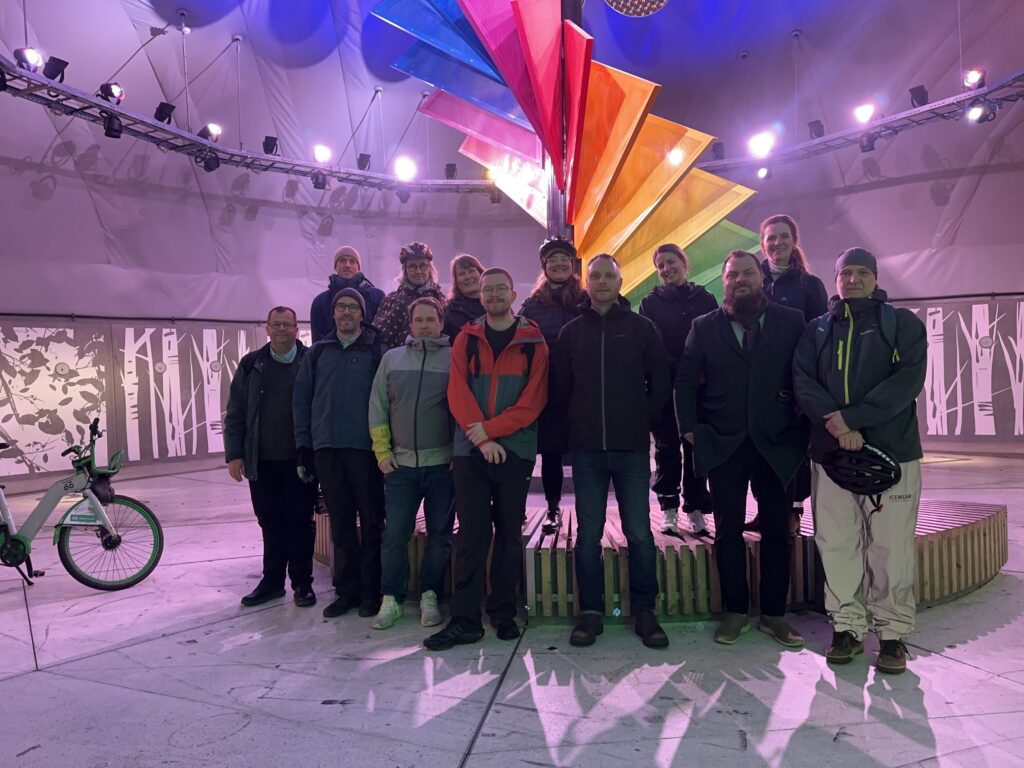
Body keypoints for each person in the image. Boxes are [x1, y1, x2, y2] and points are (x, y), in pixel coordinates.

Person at [792, 247, 927, 674]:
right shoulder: (816, 331)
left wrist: (852, 419)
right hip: (832, 458)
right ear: (835, 279)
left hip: (894, 455)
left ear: (874, 277)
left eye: (861, 273)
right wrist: (839, 428)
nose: (852, 280)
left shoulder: (902, 325)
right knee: (837, 544)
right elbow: (803, 381)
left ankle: (892, 635)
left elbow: (907, 381)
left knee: (891, 549)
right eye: (845, 273)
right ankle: (846, 628)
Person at [675, 250, 809, 647]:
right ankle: (735, 613)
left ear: (761, 277)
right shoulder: (704, 326)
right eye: (732, 275)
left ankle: (774, 615)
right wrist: (690, 430)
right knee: (728, 533)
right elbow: (684, 382)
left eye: (747, 273)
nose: (740, 281)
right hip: (724, 443)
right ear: (724, 280)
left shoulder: (792, 322)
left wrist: (801, 429)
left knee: (777, 534)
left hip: (777, 443)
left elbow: (806, 376)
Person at [423, 268, 549, 650]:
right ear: (480, 295)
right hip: (470, 452)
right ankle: (465, 619)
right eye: (486, 289)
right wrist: (479, 439)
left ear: (513, 294)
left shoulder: (534, 341)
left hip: (515, 449)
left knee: (509, 533)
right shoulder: (467, 338)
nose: (493, 295)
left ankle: (503, 611)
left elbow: (533, 401)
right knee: (473, 533)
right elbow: (457, 390)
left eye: (500, 289)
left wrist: (489, 432)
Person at [555, 254, 671, 648]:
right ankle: (590, 611)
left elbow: (659, 382)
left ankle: (644, 610)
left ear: (621, 281)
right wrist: (571, 431)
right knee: (588, 536)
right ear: (585, 282)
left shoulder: (642, 329)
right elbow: (561, 388)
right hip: (587, 450)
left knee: (639, 534)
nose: (602, 282)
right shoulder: (571, 332)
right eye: (595, 276)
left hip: (631, 449)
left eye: (609, 275)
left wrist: (643, 422)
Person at [293, 288, 387, 619]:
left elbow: (387, 400)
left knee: (373, 523)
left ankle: (371, 592)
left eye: (352, 307)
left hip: (365, 451)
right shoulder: (318, 353)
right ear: (333, 314)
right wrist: (304, 445)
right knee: (341, 524)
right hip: (327, 450)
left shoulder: (377, 350)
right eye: (340, 307)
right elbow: (302, 401)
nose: (346, 312)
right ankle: (346, 591)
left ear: (362, 314)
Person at [368, 297, 456, 630]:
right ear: (410, 323)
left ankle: (430, 595)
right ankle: (391, 598)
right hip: (401, 467)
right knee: (395, 535)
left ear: (440, 322)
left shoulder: (453, 360)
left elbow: (461, 409)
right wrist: (382, 451)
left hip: (440, 468)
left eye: (429, 320)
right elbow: (377, 405)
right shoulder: (392, 359)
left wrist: (456, 454)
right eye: (418, 320)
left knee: (440, 535)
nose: (423, 325)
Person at [225, 307, 317, 608]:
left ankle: (303, 584)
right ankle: (272, 582)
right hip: (262, 461)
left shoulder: (310, 361)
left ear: (296, 329)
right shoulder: (252, 364)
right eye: (275, 324)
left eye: (287, 325)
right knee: (270, 522)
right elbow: (236, 411)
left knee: (300, 522)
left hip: (299, 460)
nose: (281, 330)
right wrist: (235, 454)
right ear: (266, 328)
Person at [749, 215, 829, 534]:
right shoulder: (753, 281)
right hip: (758, 382)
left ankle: (793, 510)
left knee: (796, 451)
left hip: (796, 380)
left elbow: (820, 333)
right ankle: (765, 509)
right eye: (771, 238)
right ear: (762, 243)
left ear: (794, 240)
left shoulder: (810, 285)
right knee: (759, 449)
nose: (777, 243)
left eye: (783, 237)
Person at [638, 243, 718, 537]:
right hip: (666, 387)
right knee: (667, 448)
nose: (666, 269)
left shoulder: (706, 298)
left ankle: (696, 508)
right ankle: (669, 508)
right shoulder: (650, 303)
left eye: (671, 262)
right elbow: (654, 346)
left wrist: (699, 372)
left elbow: (714, 338)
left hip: (699, 389)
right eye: (660, 265)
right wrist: (679, 371)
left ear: (685, 263)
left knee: (697, 448)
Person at [519, 237, 583, 533]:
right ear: (544, 266)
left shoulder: (585, 300)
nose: (558, 264)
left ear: (572, 265)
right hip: (544, 389)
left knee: (584, 452)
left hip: (580, 389)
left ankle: (587, 507)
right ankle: (553, 507)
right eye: (552, 260)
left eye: (564, 259)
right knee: (551, 453)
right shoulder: (532, 305)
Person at [373, 242, 447, 349]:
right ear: (405, 270)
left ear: (429, 268)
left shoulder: (441, 299)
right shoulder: (392, 299)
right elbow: (379, 337)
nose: (418, 271)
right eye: (412, 266)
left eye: (422, 266)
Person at [309, 245, 385, 343]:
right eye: (342, 260)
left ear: (358, 267)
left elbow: (382, 335)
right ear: (335, 267)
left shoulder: (377, 297)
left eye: (352, 261)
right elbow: (317, 342)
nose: (347, 265)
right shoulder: (320, 301)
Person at [442, 253, 486, 341]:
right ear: (456, 280)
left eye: (471, 271)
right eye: (462, 274)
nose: (468, 277)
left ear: (480, 273)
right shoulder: (448, 312)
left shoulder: (496, 303)